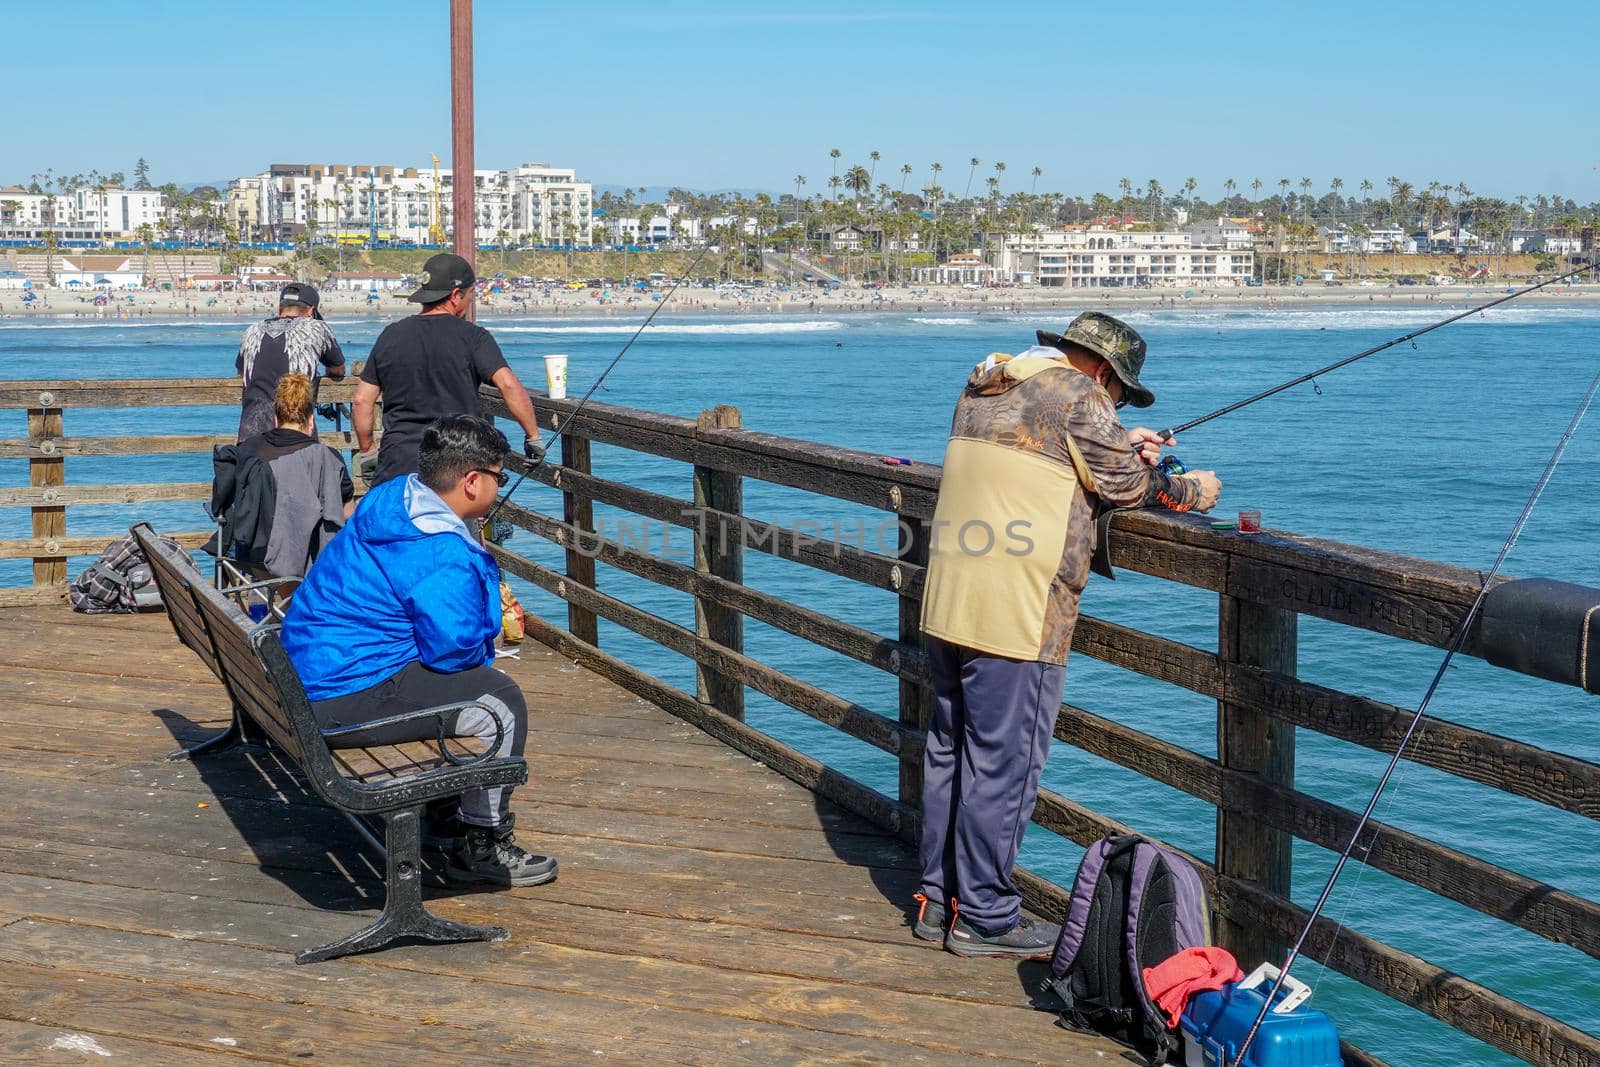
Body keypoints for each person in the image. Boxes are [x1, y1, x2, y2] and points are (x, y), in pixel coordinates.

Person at [913, 312, 1222, 959]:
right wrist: (1192, 488)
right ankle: (986, 917)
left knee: (950, 750)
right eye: (1116, 396)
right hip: (1017, 610)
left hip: (949, 599)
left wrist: (1112, 437)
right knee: (1004, 764)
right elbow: (1130, 484)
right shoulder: (1080, 396)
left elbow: (1057, 452)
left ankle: (937, 898)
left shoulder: (987, 384)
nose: (1111, 405)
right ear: (1105, 373)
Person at [280, 415, 554, 887]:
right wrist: (489, 609)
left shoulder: (393, 498)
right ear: (472, 481)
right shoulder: (439, 549)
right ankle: (481, 846)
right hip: (336, 695)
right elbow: (455, 652)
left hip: (305, 673)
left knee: (448, 682)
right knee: (498, 698)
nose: (500, 485)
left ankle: (446, 812)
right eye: (499, 477)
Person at [353, 253, 542, 487]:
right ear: (455, 295)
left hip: (398, 462)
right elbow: (509, 385)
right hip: (456, 466)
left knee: (398, 522)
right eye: (470, 295)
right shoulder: (474, 337)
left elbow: (362, 401)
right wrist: (533, 436)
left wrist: (368, 452)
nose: (471, 302)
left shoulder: (391, 335)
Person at [212, 373, 354, 580]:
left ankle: (263, 609)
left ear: (276, 419)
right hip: (307, 561)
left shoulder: (248, 449)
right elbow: (346, 512)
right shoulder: (327, 458)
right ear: (311, 421)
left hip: (253, 558)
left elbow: (225, 502)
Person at [236, 282, 344, 442]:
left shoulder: (253, 330)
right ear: (311, 311)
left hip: (251, 433)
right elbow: (338, 369)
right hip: (295, 432)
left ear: (280, 309)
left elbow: (241, 372)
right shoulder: (316, 327)